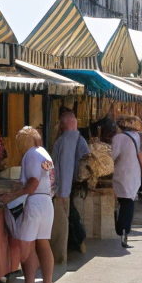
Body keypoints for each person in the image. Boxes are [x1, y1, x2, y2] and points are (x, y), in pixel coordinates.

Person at [4, 126, 56, 283]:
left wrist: (12, 196)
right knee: (43, 242)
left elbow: (32, 183)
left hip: (34, 203)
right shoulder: (44, 153)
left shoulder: (31, 154)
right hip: (47, 201)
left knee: (27, 245)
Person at [49, 108, 90, 264]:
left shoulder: (67, 140)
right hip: (68, 187)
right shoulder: (78, 138)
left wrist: (61, 192)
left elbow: (65, 167)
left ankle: (59, 255)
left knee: (61, 223)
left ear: (62, 124)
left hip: (63, 189)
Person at [107, 123, 142, 248]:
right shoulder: (136, 136)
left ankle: (120, 230)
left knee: (123, 203)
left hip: (122, 174)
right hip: (133, 174)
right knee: (128, 202)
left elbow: (112, 156)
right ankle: (124, 232)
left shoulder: (118, 138)